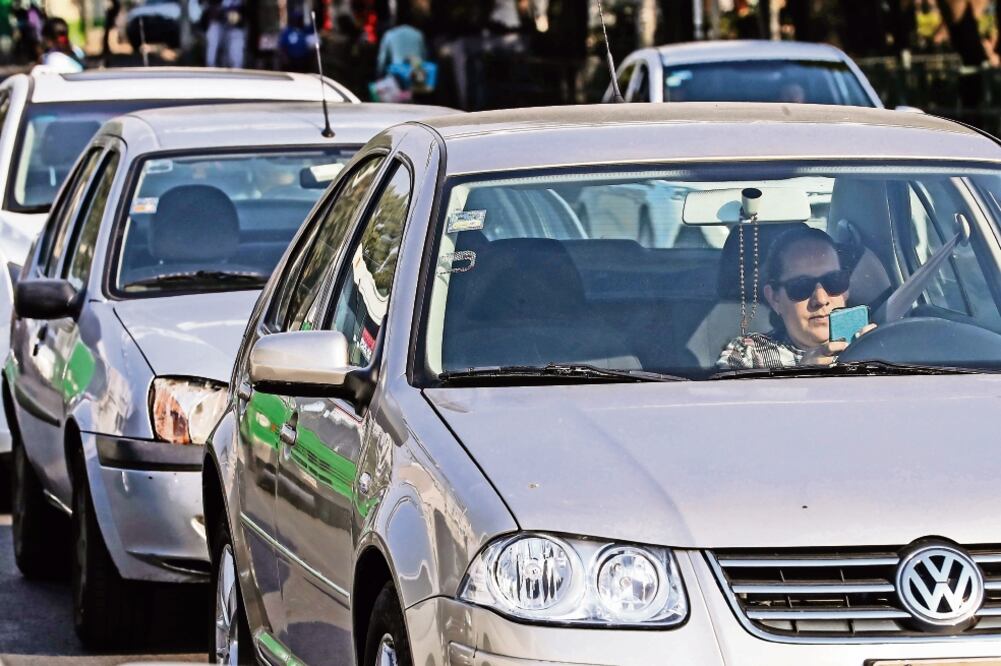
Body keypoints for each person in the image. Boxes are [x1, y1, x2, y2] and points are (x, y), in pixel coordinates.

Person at [717, 226, 875, 369]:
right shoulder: (748, 354)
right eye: (801, 286)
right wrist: (800, 375)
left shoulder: (876, 344)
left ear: (846, 289)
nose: (821, 299)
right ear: (774, 299)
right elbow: (725, 398)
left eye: (834, 281)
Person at [202, 0, 245, 68]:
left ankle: (235, 69)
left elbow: (242, 14)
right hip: (219, 25)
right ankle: (211, 67)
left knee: (234, 58)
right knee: (214, 48)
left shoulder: (240, 3)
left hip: (234, 28)